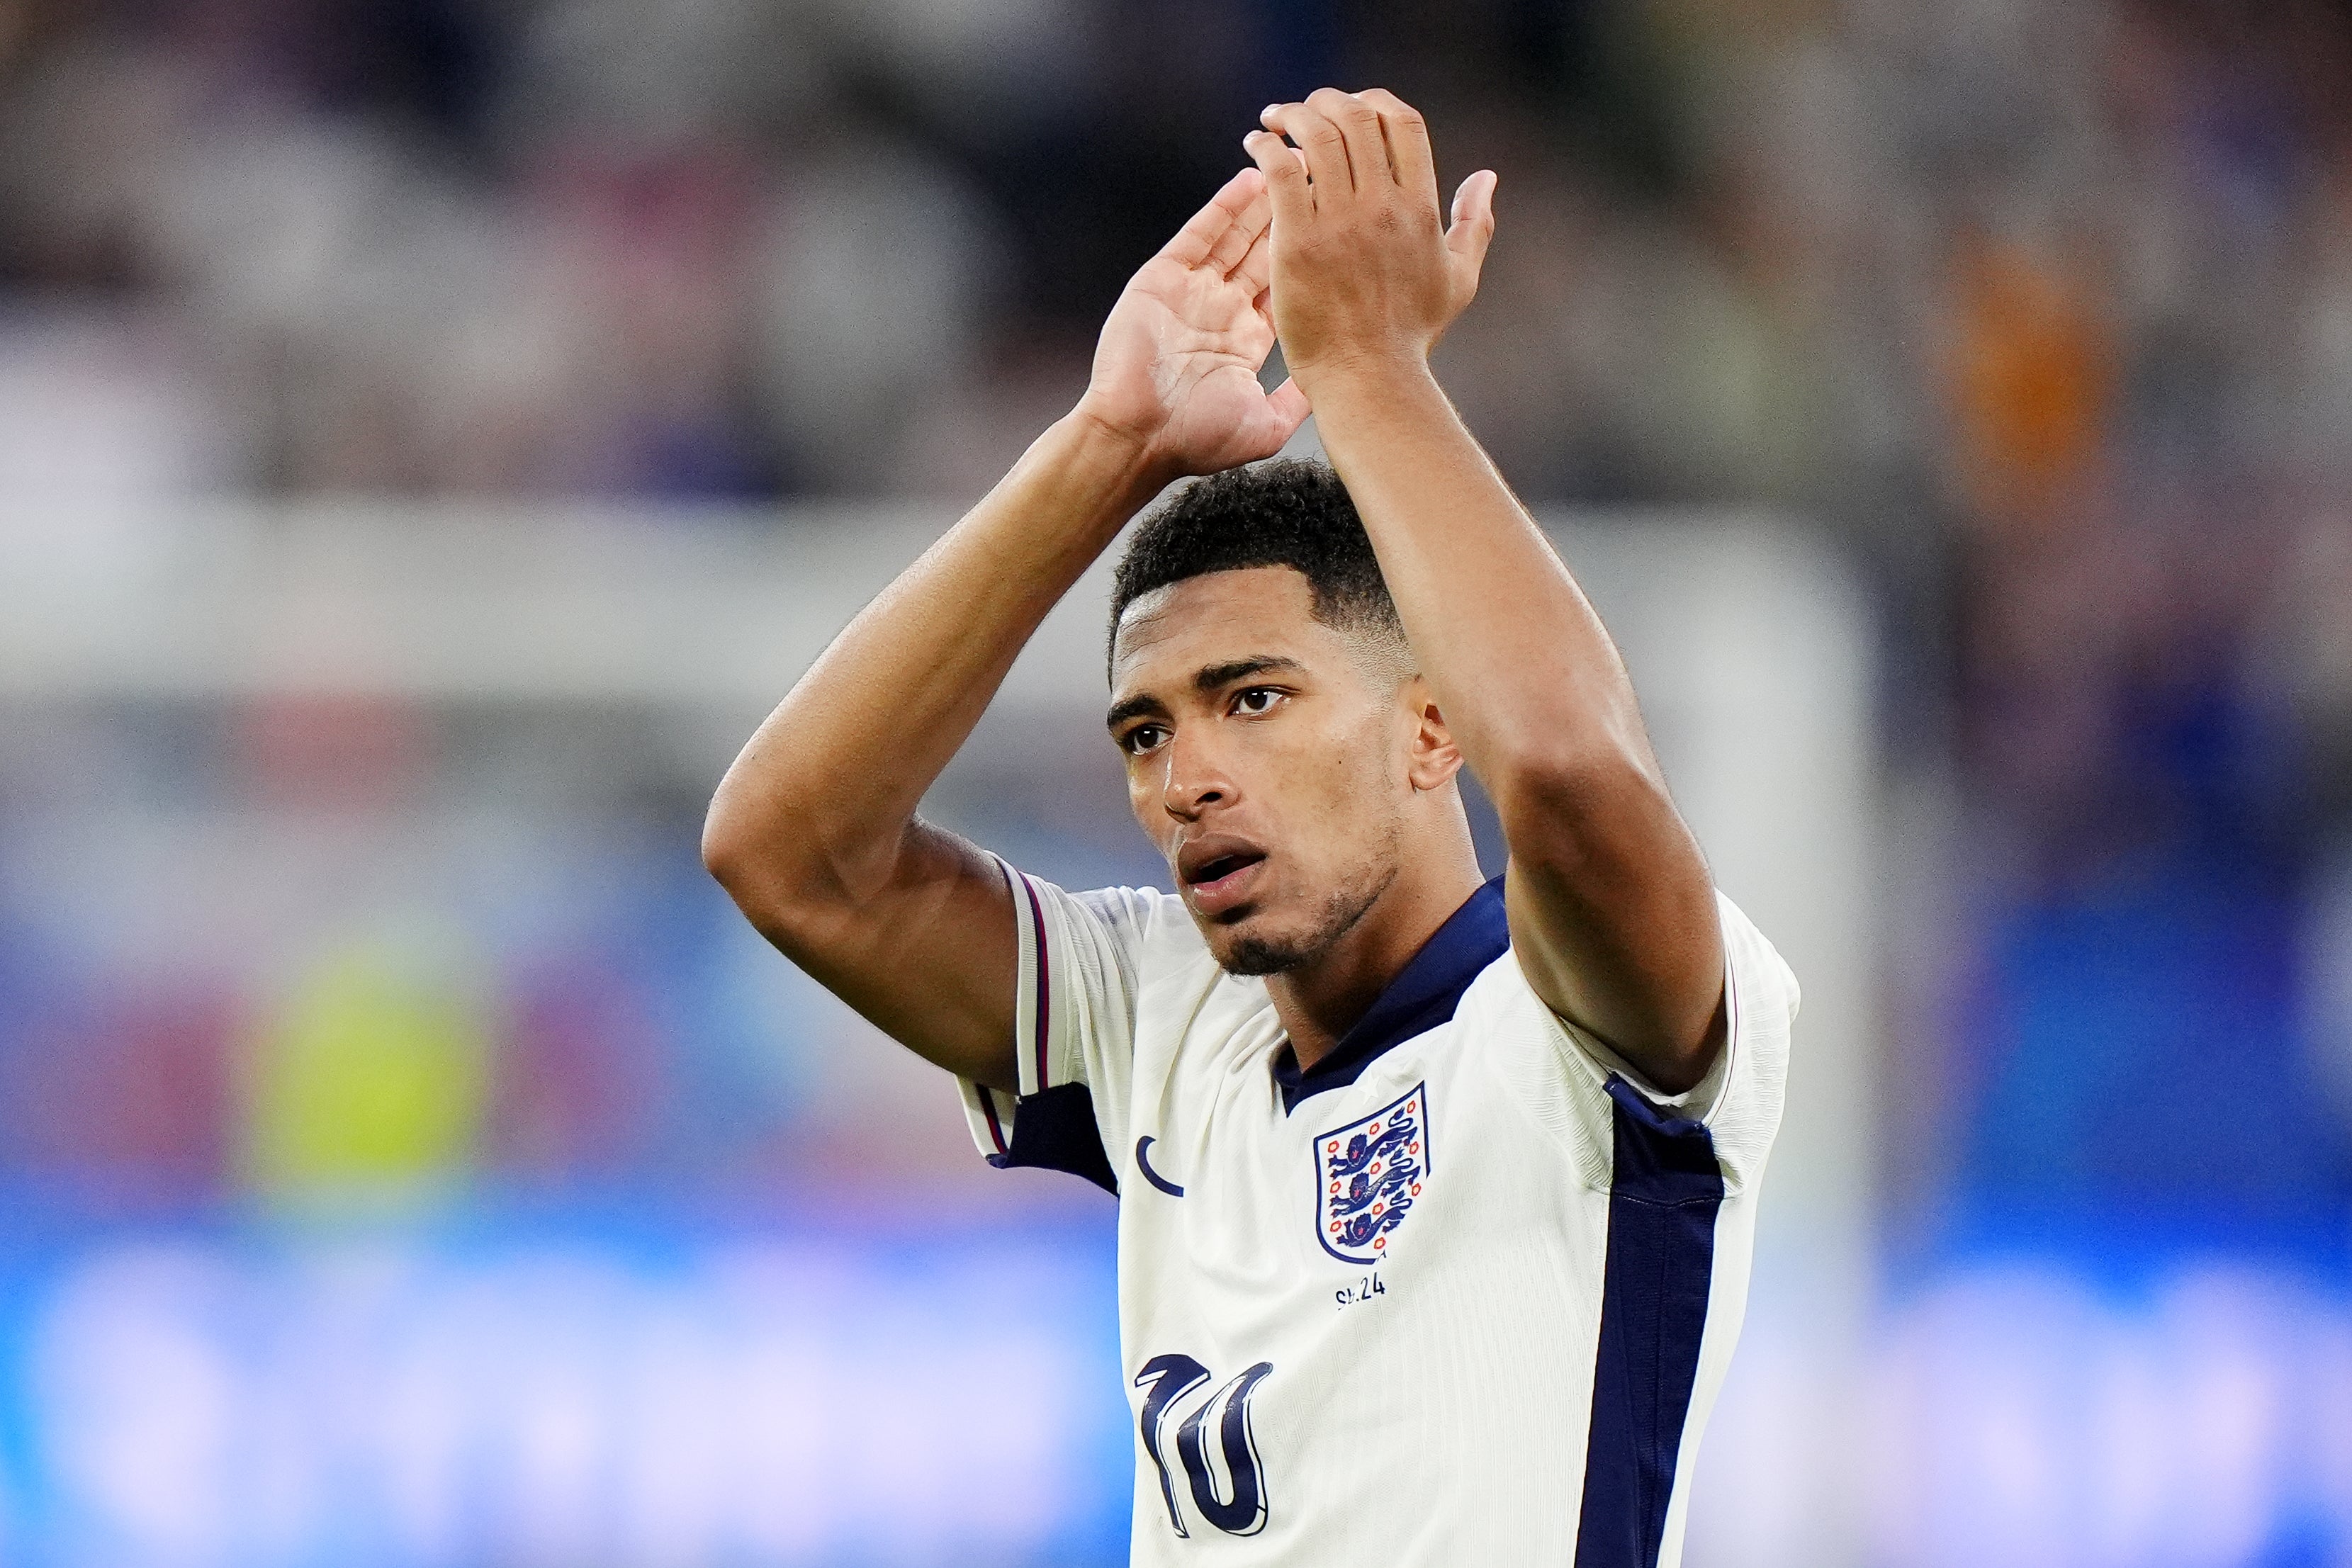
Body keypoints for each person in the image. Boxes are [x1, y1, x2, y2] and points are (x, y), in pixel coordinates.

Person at [704, 87, 1798, 1566]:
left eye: (1254, 699)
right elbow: (789, 854)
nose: (1185, 776)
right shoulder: (1162, 1021)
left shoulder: (1584, 1028)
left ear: (1431, 726)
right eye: (1145, 732)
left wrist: (1363, 364)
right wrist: (1111, 443)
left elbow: (1568, 780)